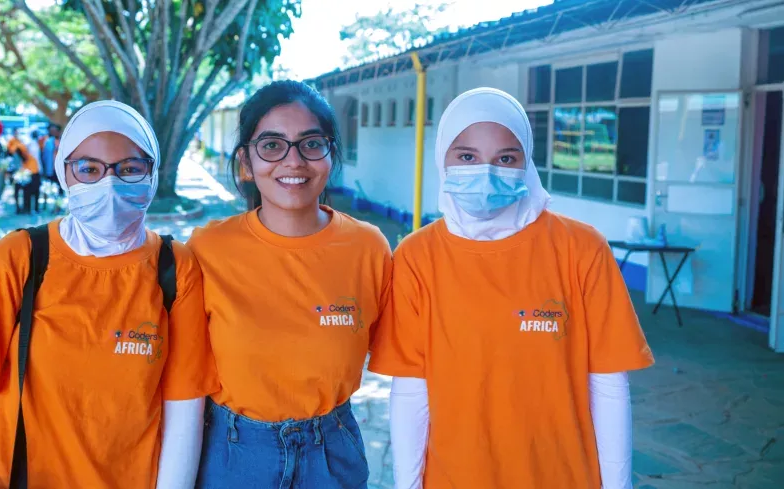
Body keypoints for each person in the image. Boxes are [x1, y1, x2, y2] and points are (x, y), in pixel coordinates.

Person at [0, 100, 216, 488]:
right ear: (63, 172)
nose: (108, 184)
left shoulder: (174, 268)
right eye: (89, 169)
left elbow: (183, 410)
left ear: (152, 173)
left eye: (130, 169)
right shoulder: (20, 258)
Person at [368, 87, 655, 489]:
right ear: (442, 159)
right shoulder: (418, 256)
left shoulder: (581, 248)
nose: (486, 172)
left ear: (527, 162)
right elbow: (412, 391)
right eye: (467, 157)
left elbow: (607, 383)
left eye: (506, 158)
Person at [188, 80, 392, 489]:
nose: (293, 160)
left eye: (311, 143)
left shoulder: (368, 247)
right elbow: (183, 381)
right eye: (272, 145)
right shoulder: (206, 249)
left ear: (331, 154)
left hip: (333, 453)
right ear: (246, 160)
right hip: (233, 454)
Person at [8, 128, 39, 214]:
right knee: (17, 190)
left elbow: (33, 170)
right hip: (19, 174)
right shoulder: (14, 145)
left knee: (27, 191)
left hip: (30, 175)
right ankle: (18, 208)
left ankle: (27, 208)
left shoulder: (31, 159)